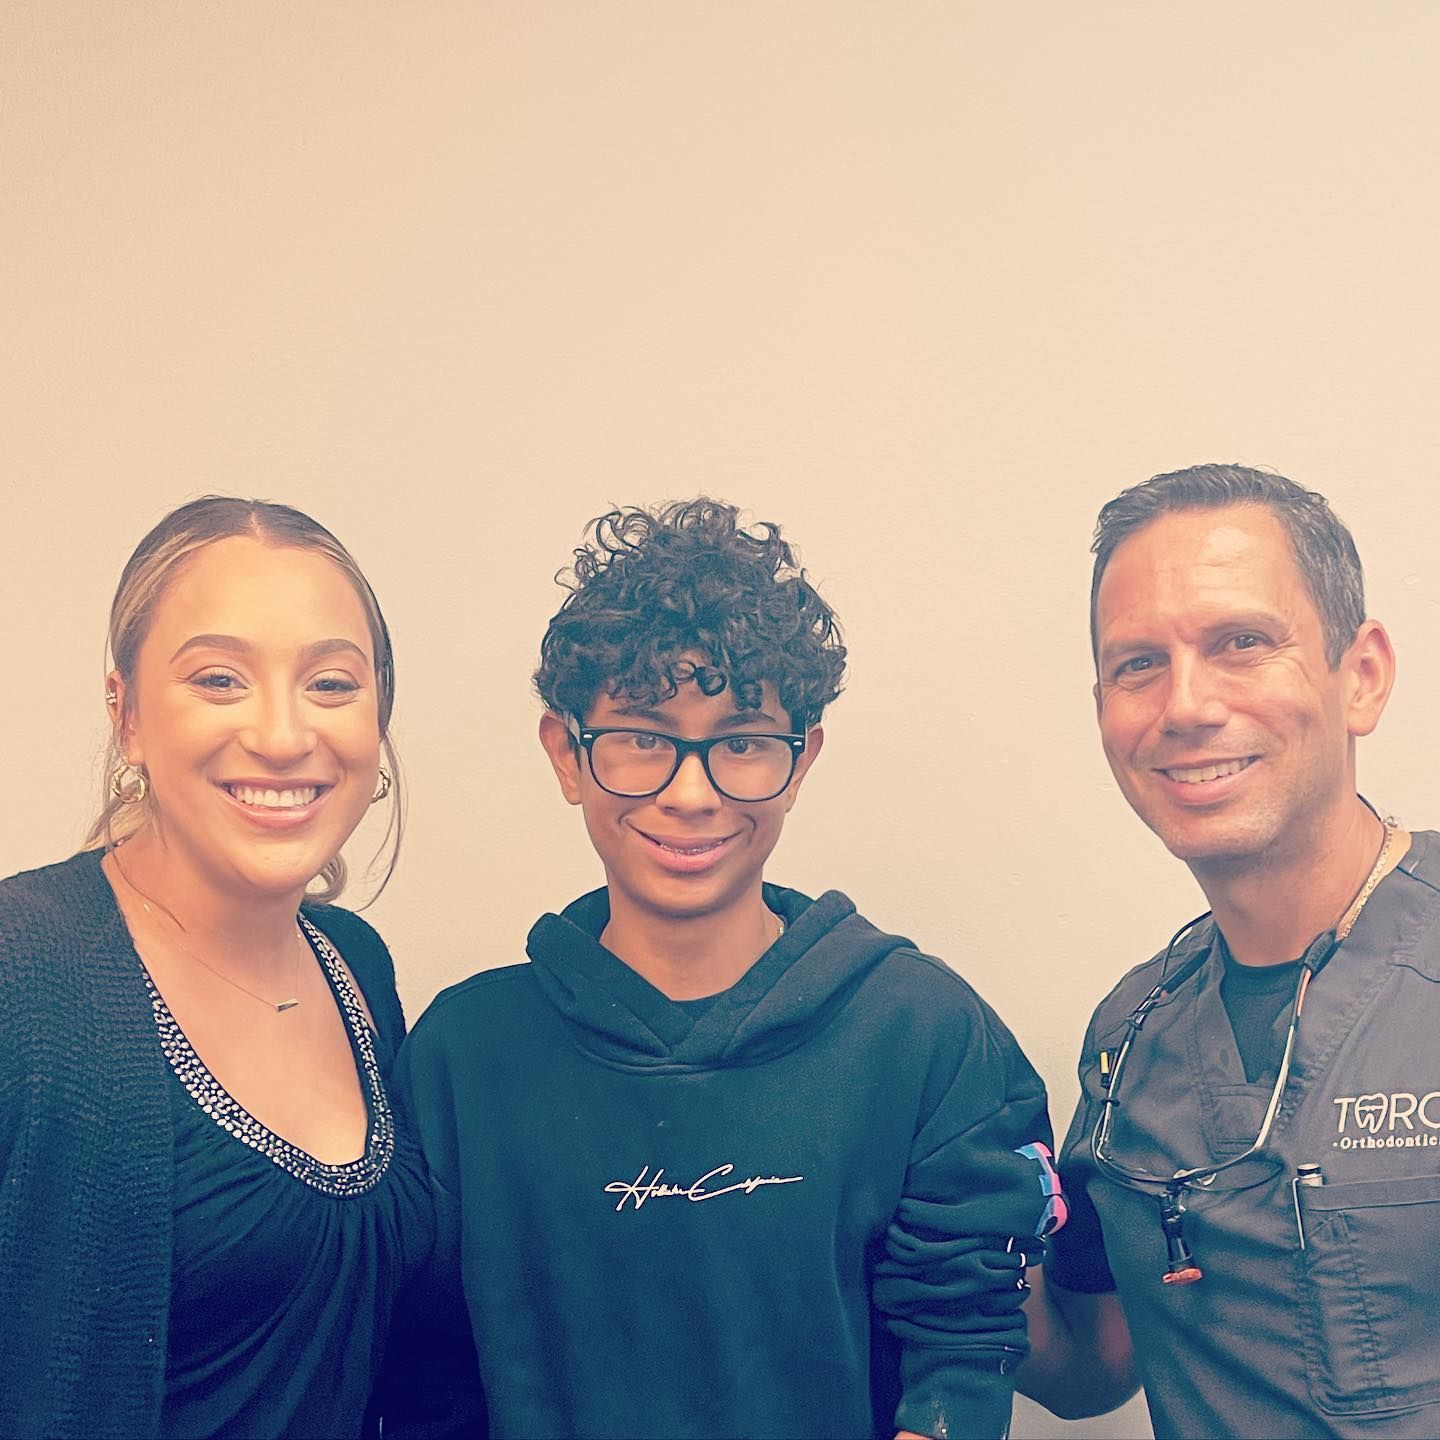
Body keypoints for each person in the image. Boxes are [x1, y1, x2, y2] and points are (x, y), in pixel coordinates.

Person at [380, 499, 1061, 1440]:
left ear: (801, 759)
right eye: (642, 738)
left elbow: (961, 1351)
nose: (689, 794)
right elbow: (424, 1377)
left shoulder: (922, 1034)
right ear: (566, 754)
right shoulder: (464, 1055)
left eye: (741, 742)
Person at [1018, 463, 1440, 1438]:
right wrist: (933, 1226)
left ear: (1362, 675)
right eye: (1137, 664)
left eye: (1241, 644)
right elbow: (1093, 1364)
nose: (1186, 706)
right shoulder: (1133, 1037)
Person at [0, 498, 433, 1440]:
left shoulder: (357, 968)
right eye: (220, 679)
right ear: (127, 713)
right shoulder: (20, 972)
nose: (282, 735)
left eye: (329, 684)